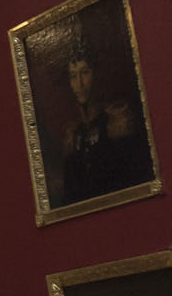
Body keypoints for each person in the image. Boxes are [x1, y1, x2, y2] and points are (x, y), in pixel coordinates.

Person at [58, 25, 152, 206]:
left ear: (96, 74)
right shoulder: (72, 134)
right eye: (73, 76)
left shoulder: (117, 120)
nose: (79, 83)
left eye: (85, 73)